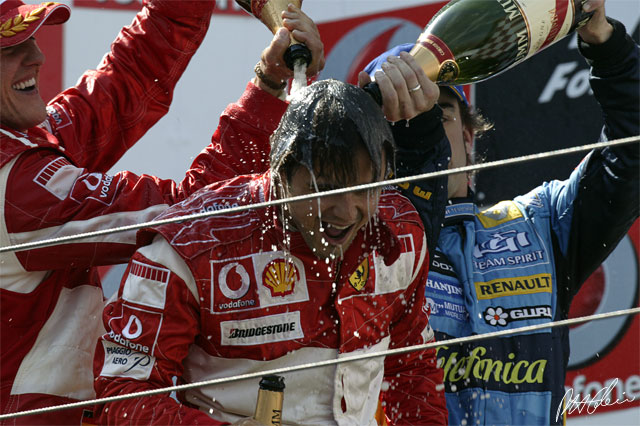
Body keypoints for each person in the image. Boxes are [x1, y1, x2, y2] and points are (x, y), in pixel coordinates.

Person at [0, 0, 324, 423]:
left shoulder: (21, 140)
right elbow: (193, 214)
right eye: (10, 50)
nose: (37, 57)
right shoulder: (19, 188)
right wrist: (269, 84)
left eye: (33, 40)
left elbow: (129, 77)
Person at [92, 78, 448, 425]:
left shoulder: (401, 232)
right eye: (325, 189)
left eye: (367, 188)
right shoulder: (192, 244)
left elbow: (412, 371)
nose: (348, 211)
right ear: (280, 170)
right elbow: (124, 395)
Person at [363, 0, 639, 424]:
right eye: (396, 122)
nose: (421, 132)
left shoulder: (539, 225)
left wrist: (608, 47)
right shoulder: (357, 247)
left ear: (470, 137)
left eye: (437, 114)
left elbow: (631, 157)